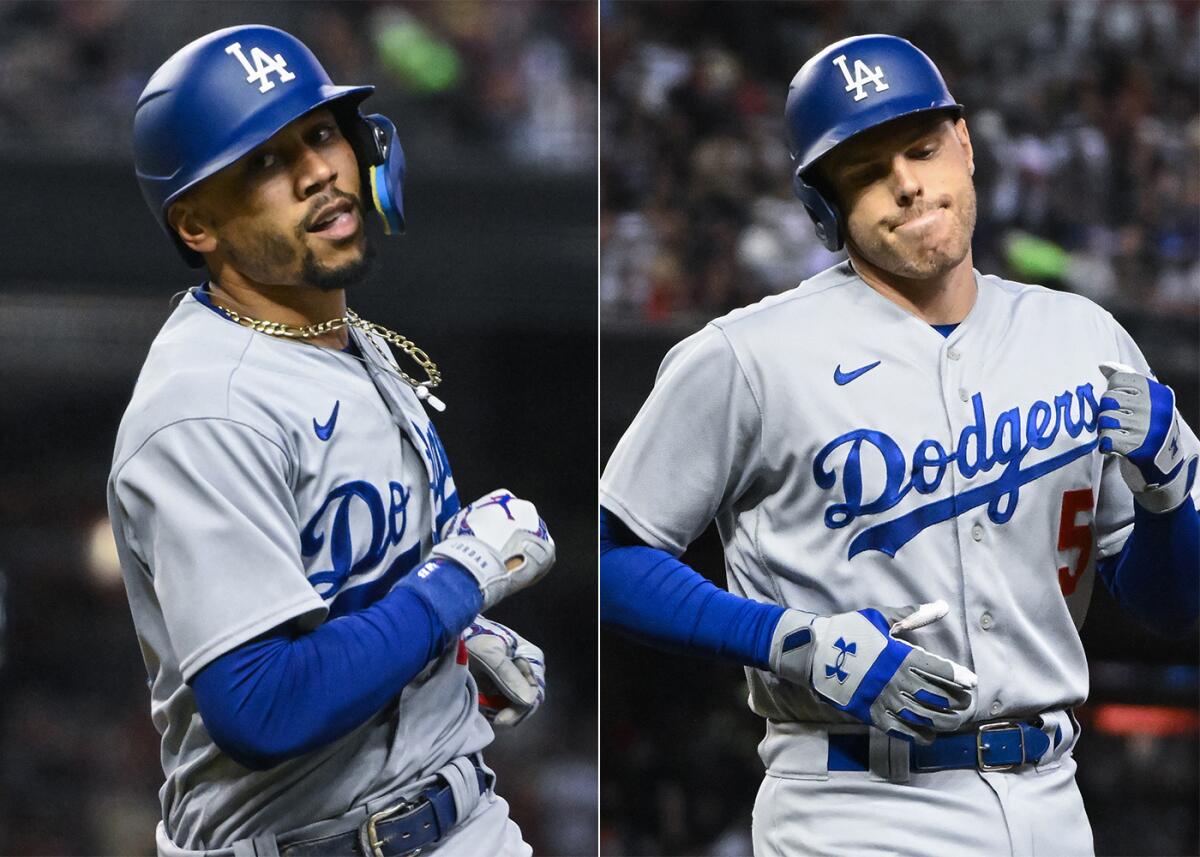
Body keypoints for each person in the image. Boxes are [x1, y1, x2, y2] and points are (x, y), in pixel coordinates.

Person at [600, 33, 1198, 855]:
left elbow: (1171, 607)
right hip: (853, 803)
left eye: (922, 149)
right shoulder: (748, 355)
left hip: (1053, 800)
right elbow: (610, 555)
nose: (909, 183)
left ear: (966, 146)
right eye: (867, 171)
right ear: (824, 207)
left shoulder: (1081, 335)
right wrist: (790, 642)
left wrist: (1170, 499)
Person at [109, 25, 555, 857]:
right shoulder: (208, 407)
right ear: (198, 224)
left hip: (463, 819)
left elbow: (352, 587)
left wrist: (448, 655)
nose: (318, 169)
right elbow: (263, 705)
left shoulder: (338, 334)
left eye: (320, 134)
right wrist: (459, 585)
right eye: (267, 162)